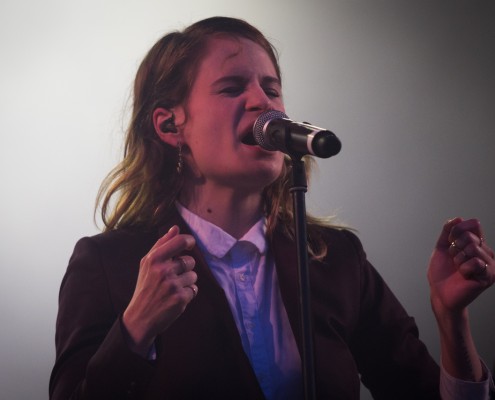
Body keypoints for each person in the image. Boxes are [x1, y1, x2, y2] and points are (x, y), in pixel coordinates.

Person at [49, 16, 495, 400]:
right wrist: (134, 330)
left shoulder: (335, 258)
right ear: (169, 125)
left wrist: (451, 317)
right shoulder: (108, 265)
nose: (264, 103)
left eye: (272, 88)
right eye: (231, 87)